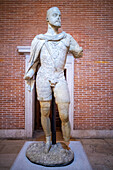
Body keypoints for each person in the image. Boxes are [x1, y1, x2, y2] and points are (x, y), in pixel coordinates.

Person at [24, 7, 83, 153]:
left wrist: (78, 50)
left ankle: (67, 144)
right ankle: (48, 140)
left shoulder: (67, 38)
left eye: (60, 16)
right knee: (44, 112)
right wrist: (29, 73)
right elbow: (34, 63)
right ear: (47, 19)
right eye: (55, 15)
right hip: (43, 77)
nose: (58, 18)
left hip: (59, 77)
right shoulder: (39, 40)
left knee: (64, 114)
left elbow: (78, 53)